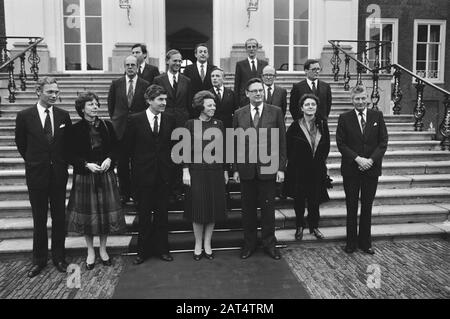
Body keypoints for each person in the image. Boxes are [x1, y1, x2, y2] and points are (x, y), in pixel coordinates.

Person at [15, 76, 72, 278]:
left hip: (58, 174)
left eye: (56, 92)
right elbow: (21, 144)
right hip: (36, 175)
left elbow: (66, 146)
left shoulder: (64, 116)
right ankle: (39, 260)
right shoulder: (24, 116)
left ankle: (59, 257)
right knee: (39, 219)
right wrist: (35, 161)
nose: (54, 95)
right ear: (38, 92)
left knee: (59, 218)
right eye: (50, 92)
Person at [65, 92, 126, 270]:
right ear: (82, 108)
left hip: (105, 175)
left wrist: (110, 159)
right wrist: (85, 164)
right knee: (88, 215)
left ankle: (103, 249)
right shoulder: (75, 129)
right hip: (86, 176)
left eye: (96, 104)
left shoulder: (107, 125)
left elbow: (117, 147)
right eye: (91, 104)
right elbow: (69, 153)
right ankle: (90, 251)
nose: (95, 107)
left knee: (105, 214)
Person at [233, 78, 286, 260]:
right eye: (254, 91)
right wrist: (236, 169)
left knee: (268, 210)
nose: (258, 93)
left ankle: (270, 244)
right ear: (247, 93)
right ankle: (249, 245)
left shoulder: (275, 112)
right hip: (246, 169)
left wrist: (281, 168)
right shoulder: (239, 114)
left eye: (260, 90)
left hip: (268, 169)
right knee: (247, 211)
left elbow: (281, 142)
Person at [124, 84, 177, 265]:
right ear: (149, 100)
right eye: (160, 99)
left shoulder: (170, 119)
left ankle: (163, 250)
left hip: (163, 176)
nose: (164, 103)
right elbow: (127, 151)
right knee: (144, 216)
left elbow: (173, 148)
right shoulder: (134, 120)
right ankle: (142, 252)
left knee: (163, 216)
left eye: (165, 99)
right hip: (143, 177)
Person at [336, 85, 388, 255]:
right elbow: (341, 144)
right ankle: (351, 243)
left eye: (363, 98)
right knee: (351, 206)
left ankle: (366, 243)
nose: (360, 101)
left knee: (367, 206)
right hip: (351, 169)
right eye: (357, 99)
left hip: (371, 170)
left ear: (368, 98)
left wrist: (371, 160)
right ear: (352, 100)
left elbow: (383, 142)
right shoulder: (344, 118)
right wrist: (358, 159)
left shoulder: (377, 116)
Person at [182, 91, 228, 260]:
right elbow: (185, 149)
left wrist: (224, 170)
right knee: (198, 209)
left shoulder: (219, 124)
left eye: (214, 105)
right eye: (210, 105)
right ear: (201, 106)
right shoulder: (190, 124)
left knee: (213, 208)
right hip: (196, 171)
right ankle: (197, 244)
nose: (213, 108)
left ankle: (208, 243)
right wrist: (185, 170)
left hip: (215, 171)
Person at [285, 94, 330, 241]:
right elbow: (287, 146)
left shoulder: (322, 124)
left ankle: (314, 226)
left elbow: (327, 146)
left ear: (316, 107)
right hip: (298, 169)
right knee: (299, 199)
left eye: (313, 104)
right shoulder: (295, 126)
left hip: (316, 169)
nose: (310, 107)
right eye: (307, 104)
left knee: (314, 200)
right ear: (302, 108)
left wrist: (320, 163)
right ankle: (299, 226)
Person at [107, 55, 150, 204]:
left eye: (133, 65)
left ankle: (137, 194)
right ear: (124, 67)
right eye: (128, 65)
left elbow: (147, 106)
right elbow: (111, 106)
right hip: (120, 130)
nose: (130, 67)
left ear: (138, 67)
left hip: (138, 129)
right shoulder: (116, 84)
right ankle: (124, 193)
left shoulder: (145, 85)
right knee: (123, 164)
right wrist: (116, 122)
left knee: (138, 163)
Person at [153, 49, 193, 127]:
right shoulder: (158, 80)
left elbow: (189, 103)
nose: (178, 63)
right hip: (164, 121)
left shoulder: (187, 81)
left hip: (182, 122)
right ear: (167, 61)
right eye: (175, 61)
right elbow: (155, 102)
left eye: (180, 61)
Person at [234, 38, 268, 107]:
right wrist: (237, 104)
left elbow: (266, 83)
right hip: (245, 100)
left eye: (253, 47)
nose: (251, 49)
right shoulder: (240, 65)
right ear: (246, 49)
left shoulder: (264, 64)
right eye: (249, 47)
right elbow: (237, 85)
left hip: (260, 99)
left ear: (257, 48)